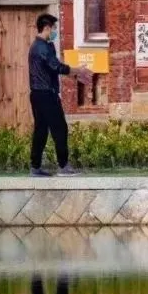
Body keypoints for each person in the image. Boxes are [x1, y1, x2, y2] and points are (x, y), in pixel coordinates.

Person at [29, 13, 92, 177]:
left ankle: (35, 167)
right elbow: (57, 67)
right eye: (54, 28)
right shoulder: (42, 48)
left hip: (38, 94)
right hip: (46, 95)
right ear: (47, 28)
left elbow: (52, 70)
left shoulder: (42, 46)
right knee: (60, 128)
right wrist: (78, 70)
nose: (55, 31)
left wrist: (75, 74)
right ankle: (64, 166)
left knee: (41, 130)